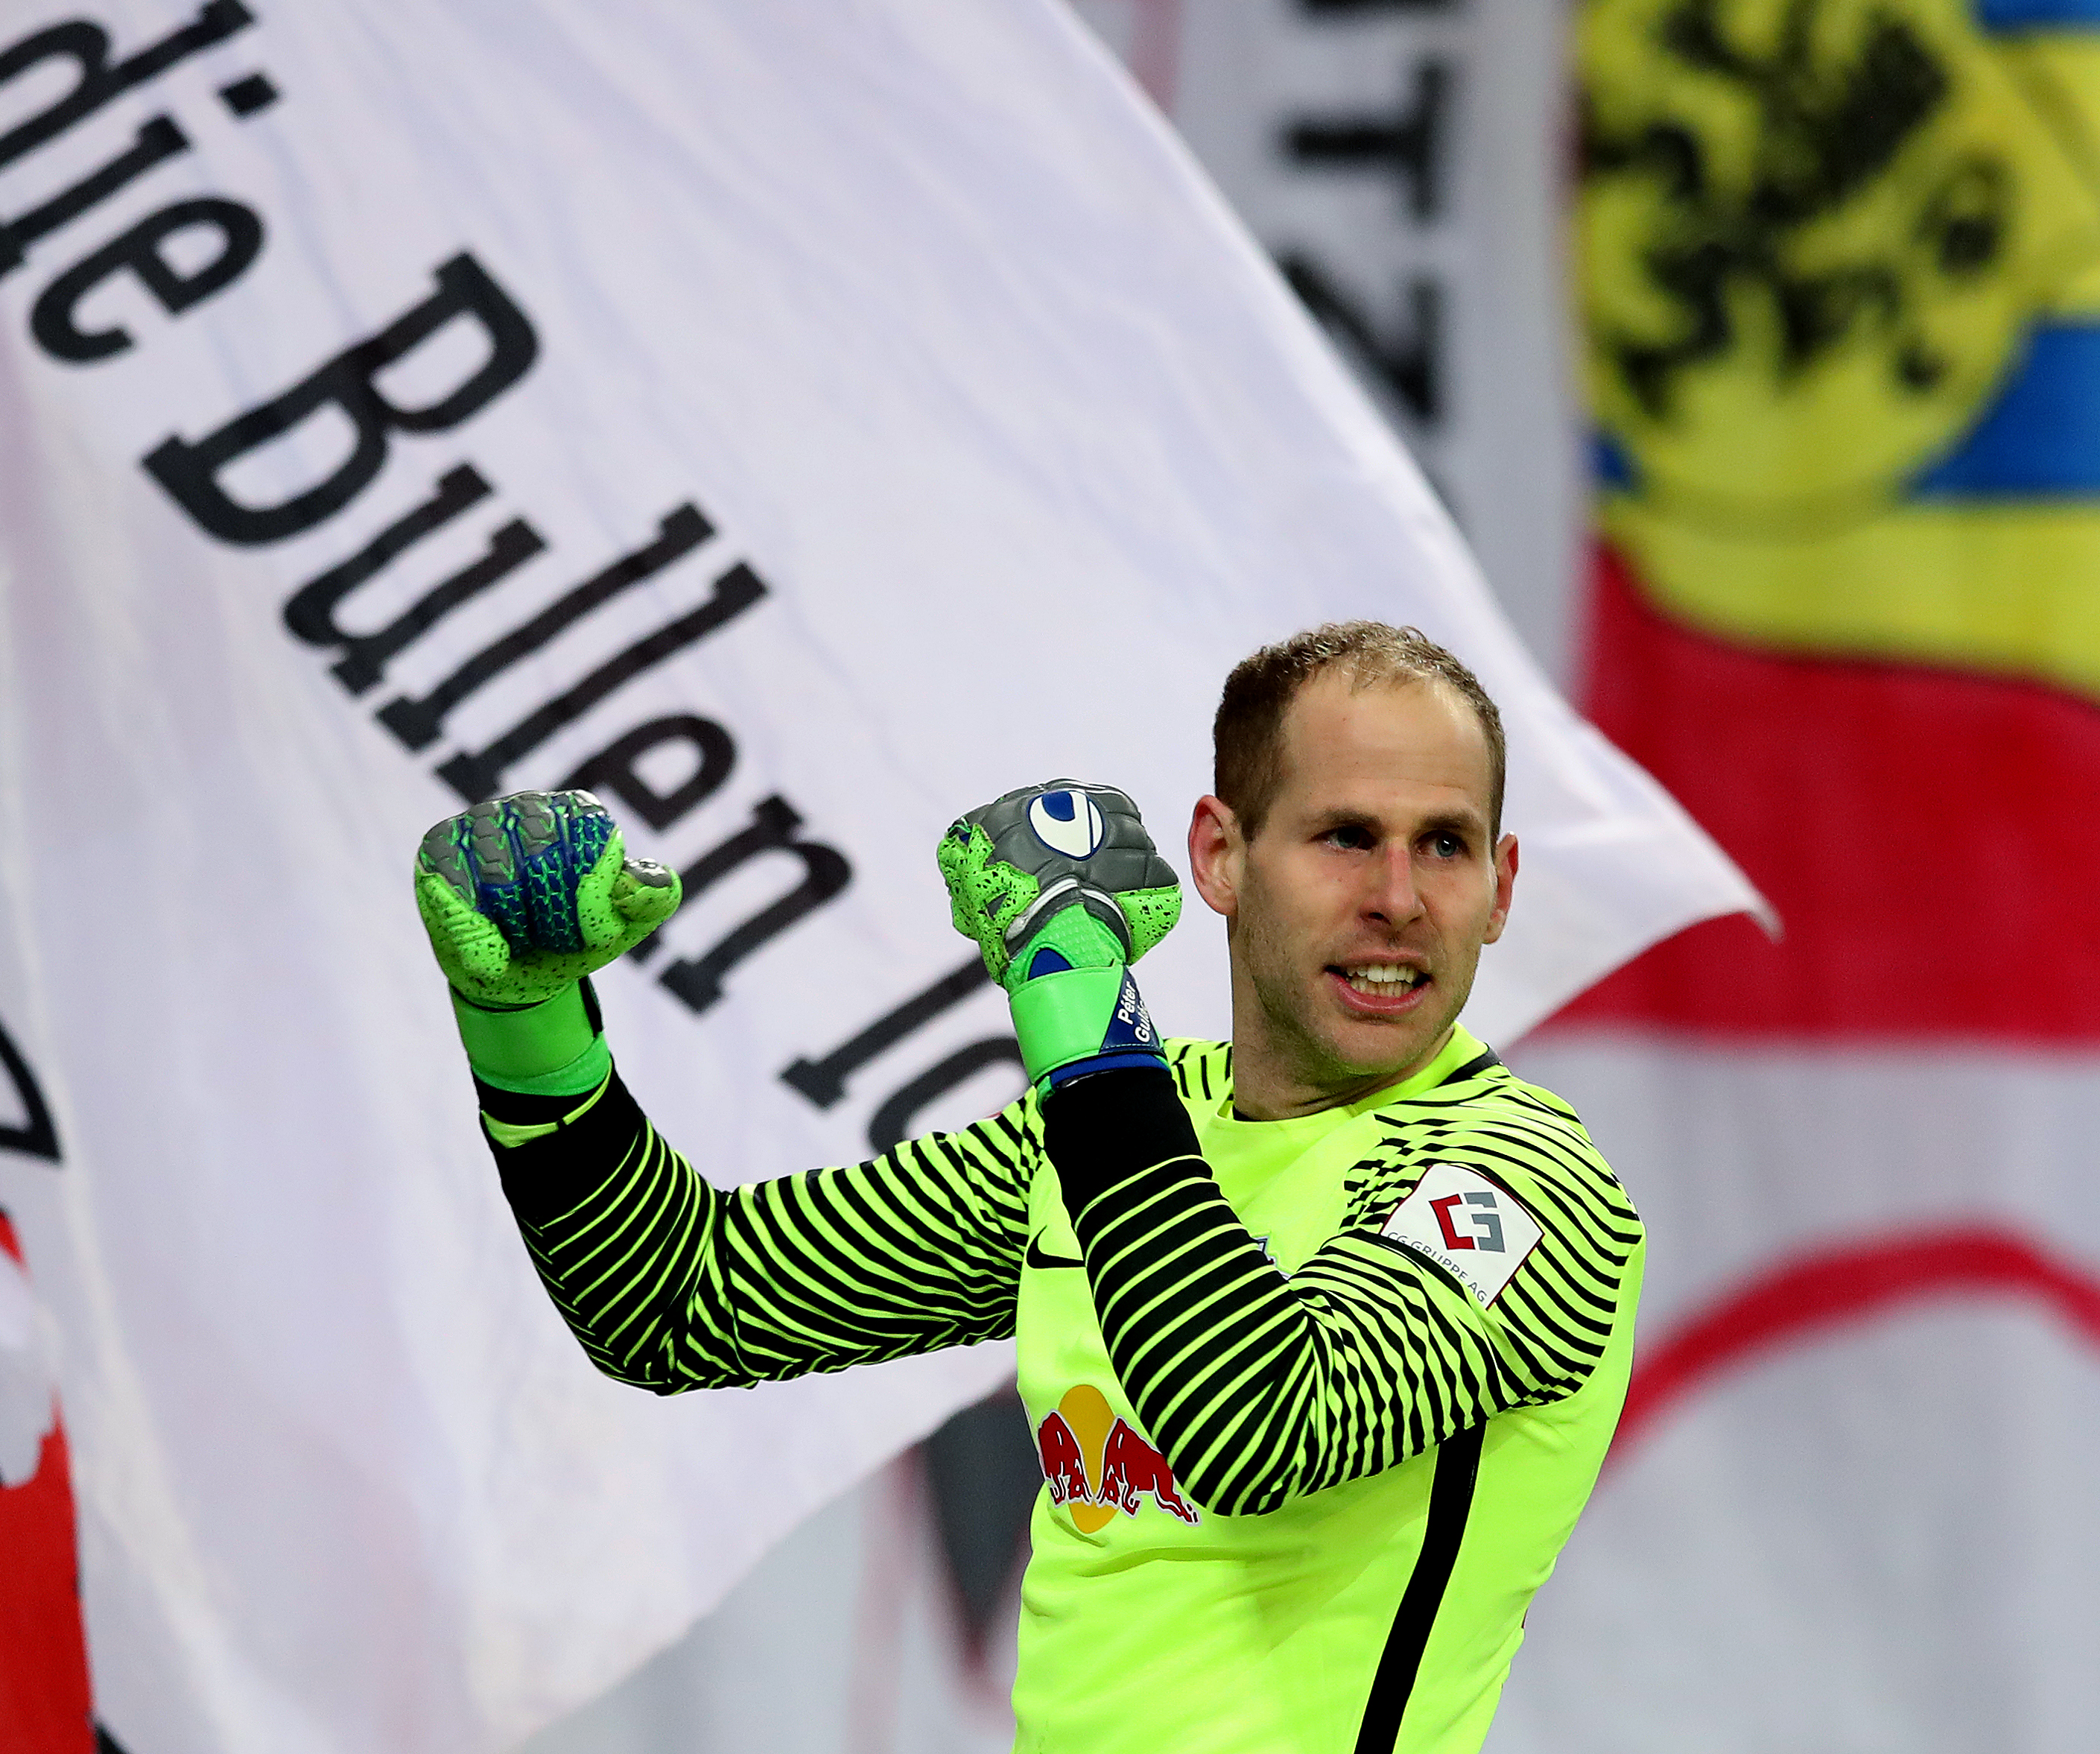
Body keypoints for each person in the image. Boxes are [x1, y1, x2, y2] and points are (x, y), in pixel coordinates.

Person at [410, 621, 1643, 1754]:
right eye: (1343, 838)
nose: (1398, 899)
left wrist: (1081, 1025)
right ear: (1220, 856)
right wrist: (528, 1033)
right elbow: (686, 1301)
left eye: (1446, 845)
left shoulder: (1523, 1185)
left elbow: (1254, 1423)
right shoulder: (1123, 1126)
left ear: (1503, 887)